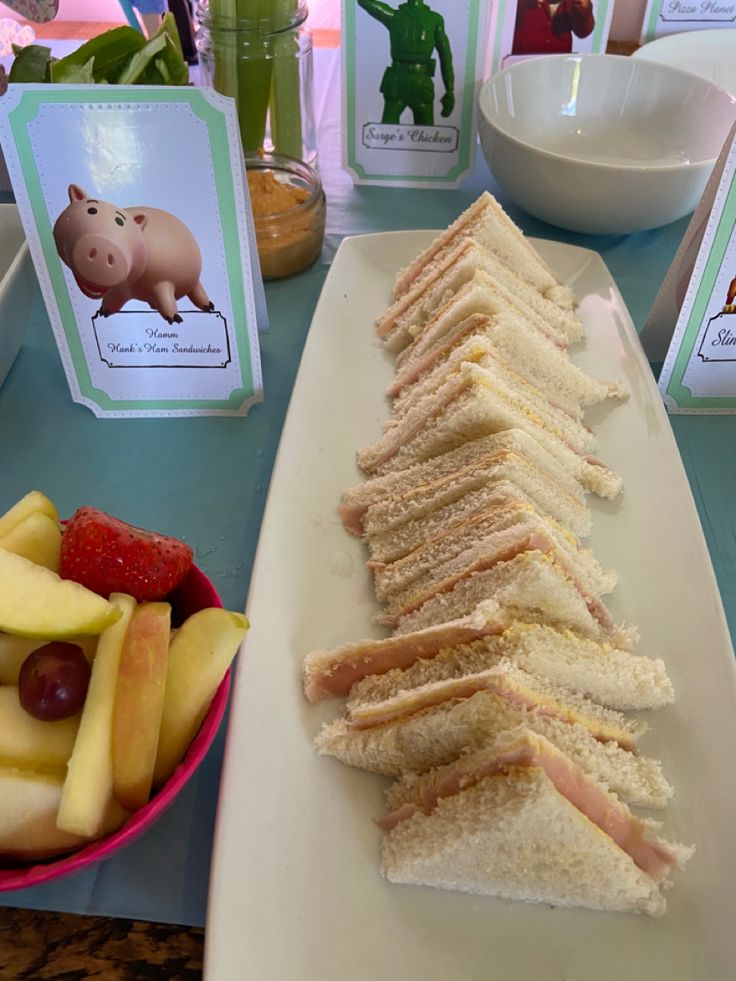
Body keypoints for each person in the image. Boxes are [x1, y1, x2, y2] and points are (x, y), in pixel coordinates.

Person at [357, 0, 455, 126]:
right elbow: (446, 57)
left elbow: (364, 2)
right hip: (420, 83)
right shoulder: (434, 19)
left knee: (388, 133)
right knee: (426, 136)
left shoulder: (394, 16)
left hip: (398, 81)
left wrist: (450, 90)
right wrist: (450, 90)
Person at [512, 0, 594, 56]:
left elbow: (583, 32)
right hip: (524, 63)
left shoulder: (573, 2)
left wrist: (584, 10)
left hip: (557, 65)